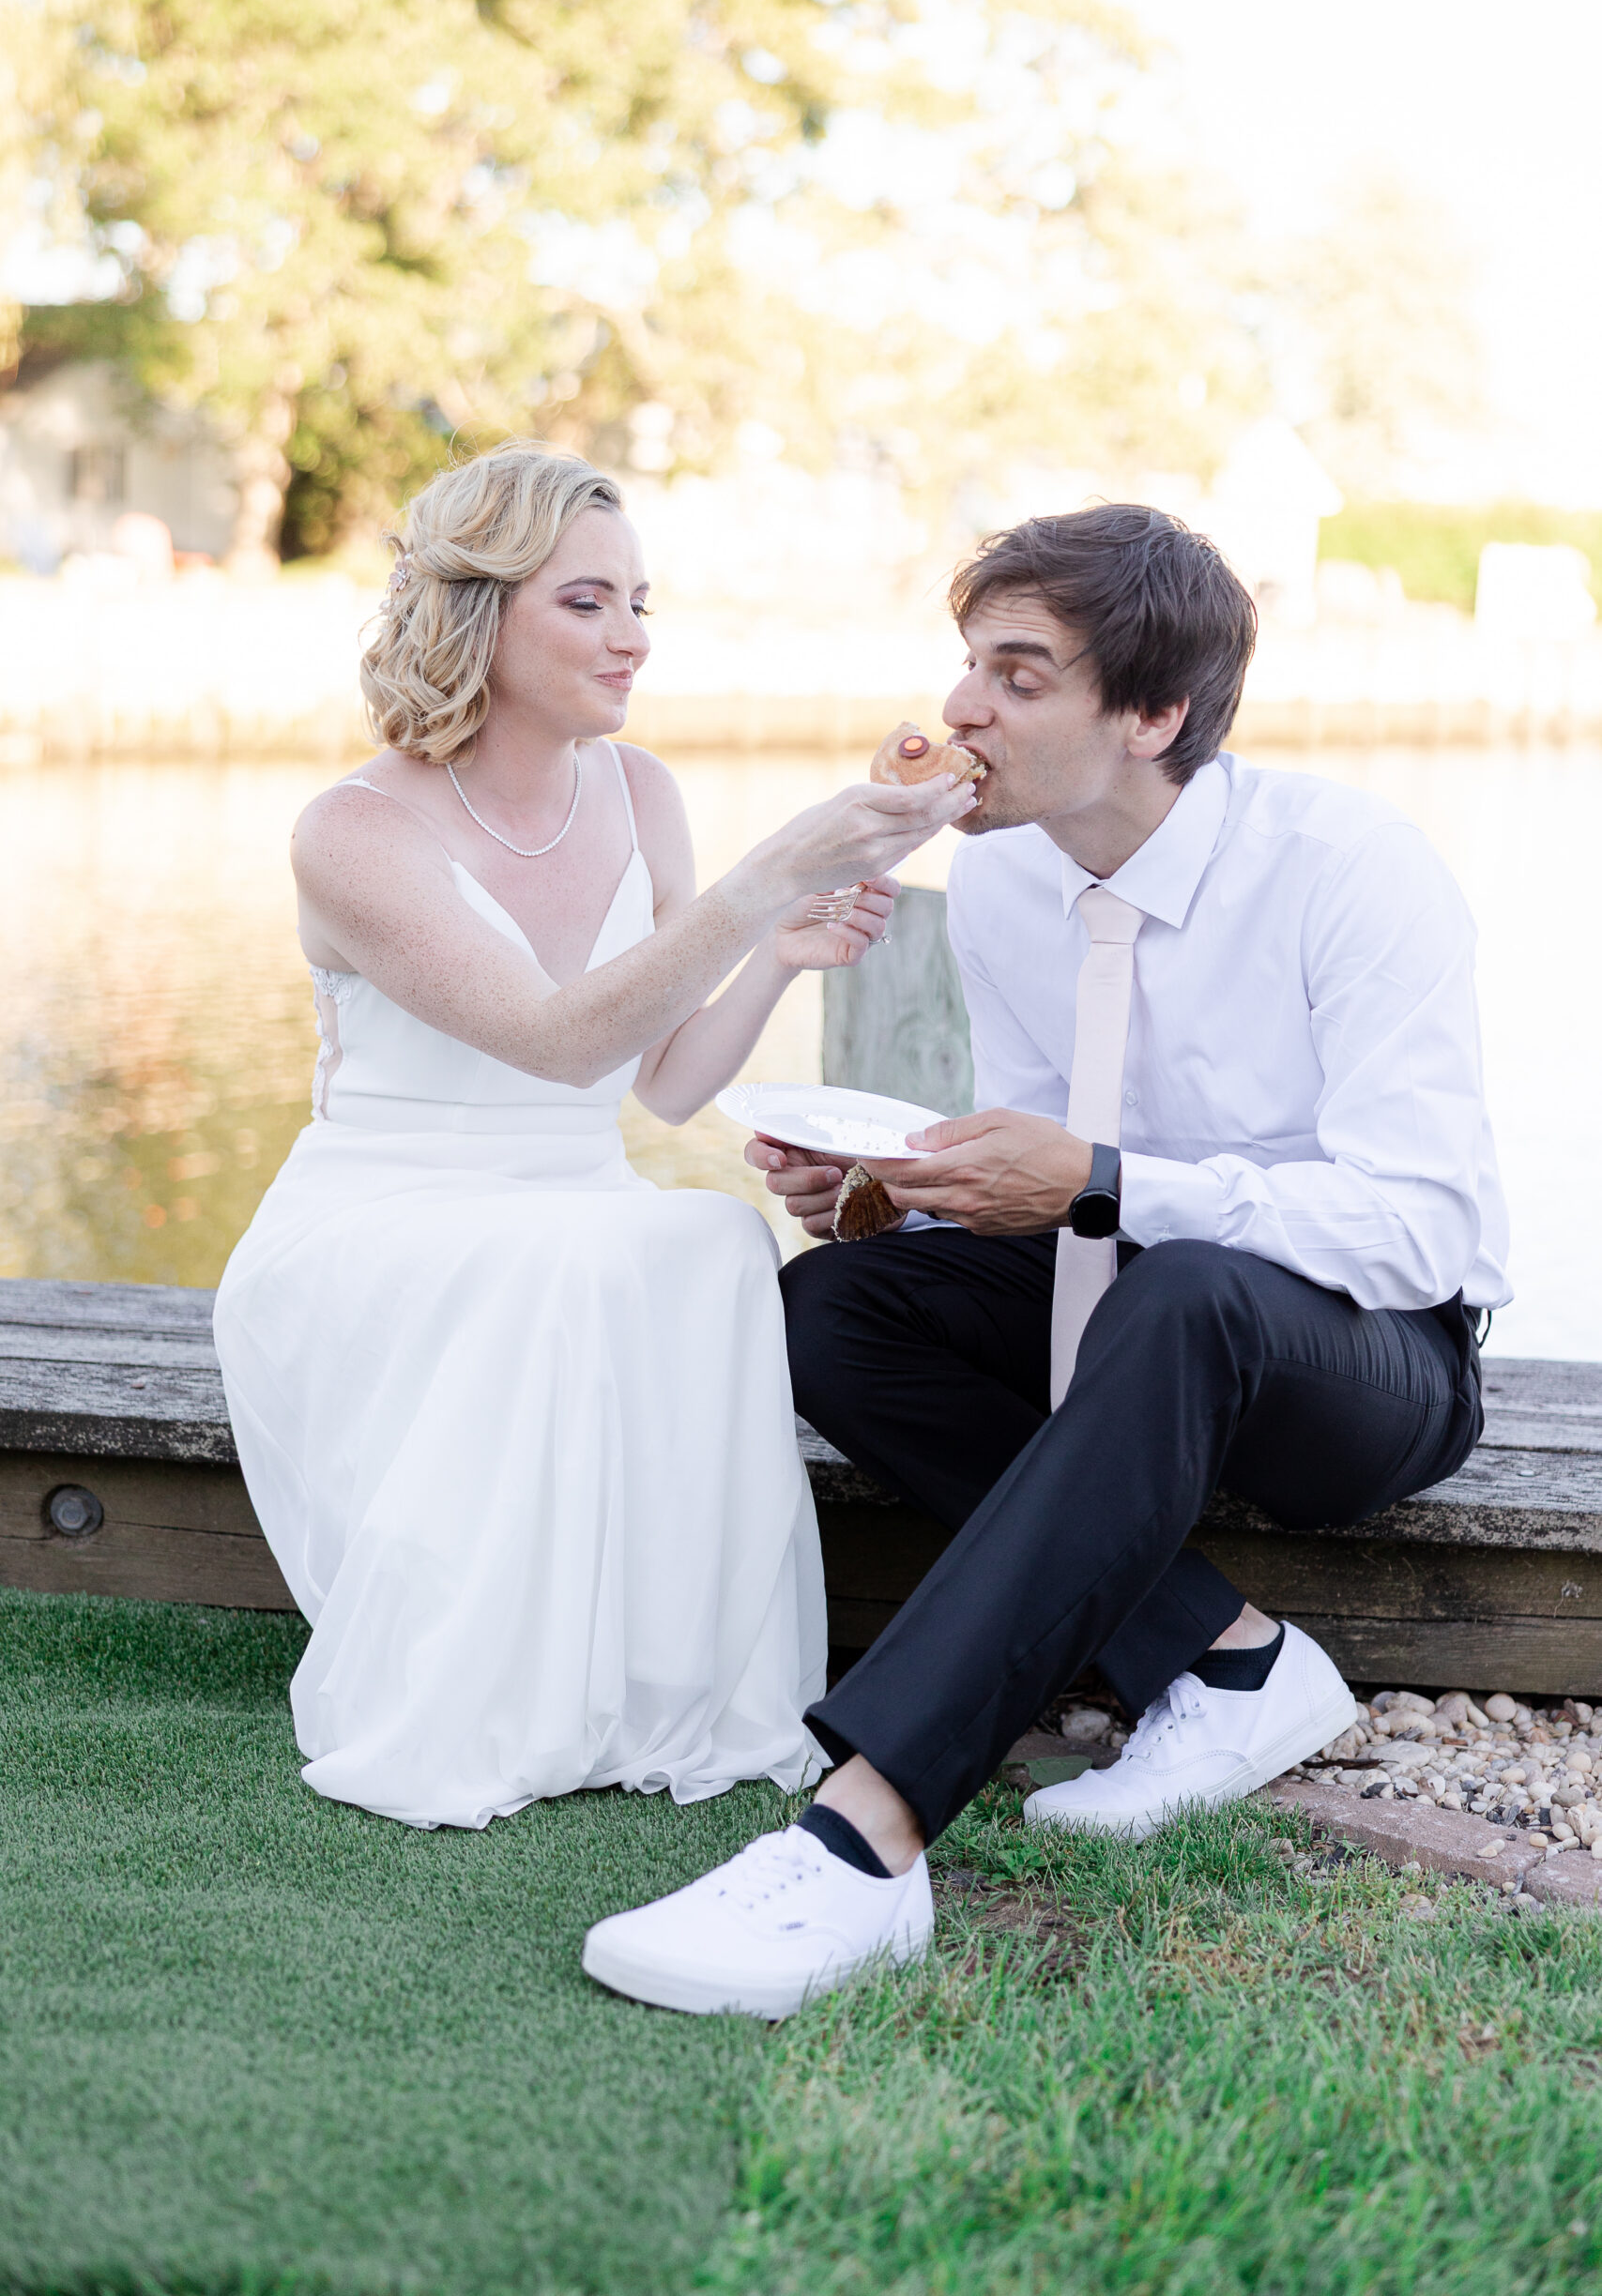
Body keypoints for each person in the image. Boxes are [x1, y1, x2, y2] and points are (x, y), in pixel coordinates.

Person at [582, 501, 1508, 2017]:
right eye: (966, 664)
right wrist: (894, 1192)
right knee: (833, 1304)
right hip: (1127, 1309)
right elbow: (1049, 1172)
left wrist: (1107, 1180)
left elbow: (1424, 1229)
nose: (959, 709)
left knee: (1194, 1284)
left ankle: (862, 1840)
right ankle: (1225, 1658)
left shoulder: (1353, 867)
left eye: (1019, 675)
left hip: (1366, 1364)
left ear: (1154, 714)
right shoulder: (1007, 881)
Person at [212, 441, 974, 1831]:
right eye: (586, 603)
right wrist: (767, 876)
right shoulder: (354, 833)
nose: (631, 639)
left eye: (642, 602)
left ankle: (660, 1684)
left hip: (572, 1188)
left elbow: (663, 1088)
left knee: (708, 1235)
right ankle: (502, 1695)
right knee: (585, 1263)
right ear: (477, 612)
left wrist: (782, 952)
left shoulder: (641, 794)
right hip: (388, 1215)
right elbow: (558, 1039)